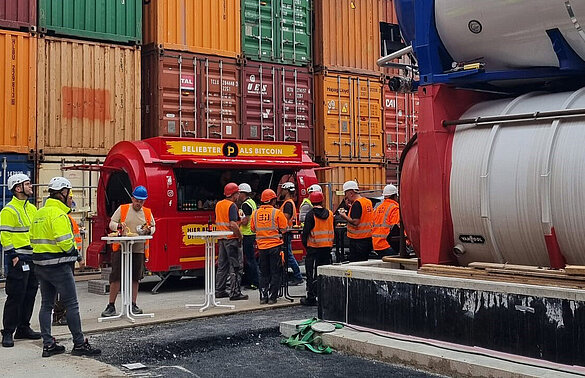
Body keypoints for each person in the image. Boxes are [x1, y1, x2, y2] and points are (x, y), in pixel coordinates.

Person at [31, 177, 100, 357]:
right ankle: (79, 344)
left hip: (40, 265)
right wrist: (75, 253)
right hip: (59, 266)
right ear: (62, 193)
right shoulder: (59, 215)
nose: (71, 197)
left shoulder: (39, 213)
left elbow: (32, 239)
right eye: (69, 193)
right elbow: (65, 243)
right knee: (72, 304)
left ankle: (48, 345)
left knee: (46, 305)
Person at [101, 185, 155, 317]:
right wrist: (118, 226)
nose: (139, 203)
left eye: (141, 201)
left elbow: (153, 227)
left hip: (138, 248)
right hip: (121, 247)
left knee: (135, 277)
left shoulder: (147, 212)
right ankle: (111, 305)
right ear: (132, 198)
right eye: (137, 200)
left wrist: (149, 230)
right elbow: (111, 223)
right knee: (116, 276)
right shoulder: (123, 209)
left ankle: (133, 304)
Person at [0, 174, 40, 347]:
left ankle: (24, 327)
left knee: (30, 293)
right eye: (27, 184)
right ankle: (8, 332)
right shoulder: (8, 211)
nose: (31, 186)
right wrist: (13, 256)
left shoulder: (32, 209)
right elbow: (4, 236)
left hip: (33, 258)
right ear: (18, 188)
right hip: (19, 259)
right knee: (16, 295)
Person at [251, 189, 288, 304]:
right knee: (275, 272)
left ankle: (263, 297)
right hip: (275, 246)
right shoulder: (277, 213)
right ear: (272, 200)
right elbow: (284, 229)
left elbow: (252, 229)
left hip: (262, 248)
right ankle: (272, 297)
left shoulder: (255, 213)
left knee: (264, 272)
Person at [53, 190, 83, 326]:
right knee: (64, 290)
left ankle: (59, 315)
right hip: (65, 258)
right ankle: (61, 315)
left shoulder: (68, 218)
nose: (71, 200)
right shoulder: (63, 218)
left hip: (69, 257)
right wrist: (78, 257)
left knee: (60, 290)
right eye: (70, 198)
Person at [215, 183, 248, 301]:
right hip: (231, 239)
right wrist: (240, 236)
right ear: (234, 194)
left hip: (221, 239)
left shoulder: (219, 204)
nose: (239, 195)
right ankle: (235, 293)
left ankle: (219, 290)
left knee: (222, 266)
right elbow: (233, 224)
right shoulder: (232, 206)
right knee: (235, 267)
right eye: (237, 193)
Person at [300, 191, 333, 306]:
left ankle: (311, 297)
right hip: (326, 248)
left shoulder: (310, 215)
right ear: (322, 200)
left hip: (313, 248)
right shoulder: (329, 213)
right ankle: (325, 296)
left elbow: (305, 233)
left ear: (312, 201)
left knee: (310, 273)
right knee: (322, 273)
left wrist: (306, 245)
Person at [338, 180, 374, 262]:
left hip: (358, 240)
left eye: (346, 194)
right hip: (367, 238)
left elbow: (355, 222)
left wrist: (344, 216)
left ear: (351, 193)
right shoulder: (367, 201)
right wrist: (351, 207)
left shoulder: (357, 204)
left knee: (357, 263)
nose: (345, 197)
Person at [279, 182, 303, 285]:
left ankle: (298, 276)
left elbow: (285, 218)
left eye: (283, 189)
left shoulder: (288, 203)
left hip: (286, 232)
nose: (282, 191)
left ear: (287, 191)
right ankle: (296, 275)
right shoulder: (288, 202)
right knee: (288, 254)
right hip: (286, 232)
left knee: (288, 255)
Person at [238, 183, 259, 290]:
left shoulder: (245, 205)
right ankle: (255, 281)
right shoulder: (252, 202)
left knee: (250, 260)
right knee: (252, 259)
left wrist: (238, 223)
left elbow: (245, 221)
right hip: (252, 233)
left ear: (243, 193)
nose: (238, 195)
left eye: (239, 193)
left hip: (247, 235)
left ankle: (254, 282)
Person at [372, 185, 401, 257]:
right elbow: (396, 228)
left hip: (376, 245)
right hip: (387, 245)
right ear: (395, 196)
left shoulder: (378, 208)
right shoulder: (394, 208)